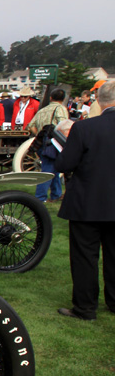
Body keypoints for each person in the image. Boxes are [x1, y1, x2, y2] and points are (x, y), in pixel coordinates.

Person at [54, 80, 115, 320]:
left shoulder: (85, 128)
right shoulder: (85, 128)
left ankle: (85, 306)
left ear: (98, 101)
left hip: (88, 201)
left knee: (84, 257)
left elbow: (65, 164)